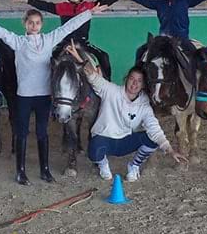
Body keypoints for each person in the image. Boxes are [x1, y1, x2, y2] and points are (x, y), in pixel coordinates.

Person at [0, 4, 109, 184]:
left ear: (42, 25)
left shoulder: (49, 40)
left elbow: (68, 26)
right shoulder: (17, 42)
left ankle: (45, 170)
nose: (34, 26)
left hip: (44, 96)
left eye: (37, 23)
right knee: (22, 132)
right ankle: (20, 171)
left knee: (42, 133)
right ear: (25, 24)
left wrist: (89, 12)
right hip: (24, 95)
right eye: (30, 23)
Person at [65, 41, 186, 181]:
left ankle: (134, 165)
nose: (134, 83)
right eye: (132, 79)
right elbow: (93, 76)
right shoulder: (111, 91)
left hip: (125, 141)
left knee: (152, 139)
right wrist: (79, 59)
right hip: (105, 138)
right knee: (94, 151)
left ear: (143, 84)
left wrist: (170, 150)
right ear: (126, 79)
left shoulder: (144, 104)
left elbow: (154, 128)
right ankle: (103, 164)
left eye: (139, 81)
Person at [10, 0, 120, 78]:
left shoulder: (89, 6)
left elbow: (107, 0)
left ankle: (107, 84)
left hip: (83, 43)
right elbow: (44, 5)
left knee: (104, 56)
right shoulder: (62, 7)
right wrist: (25, 0)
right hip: (65, 43)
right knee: (48, 60)